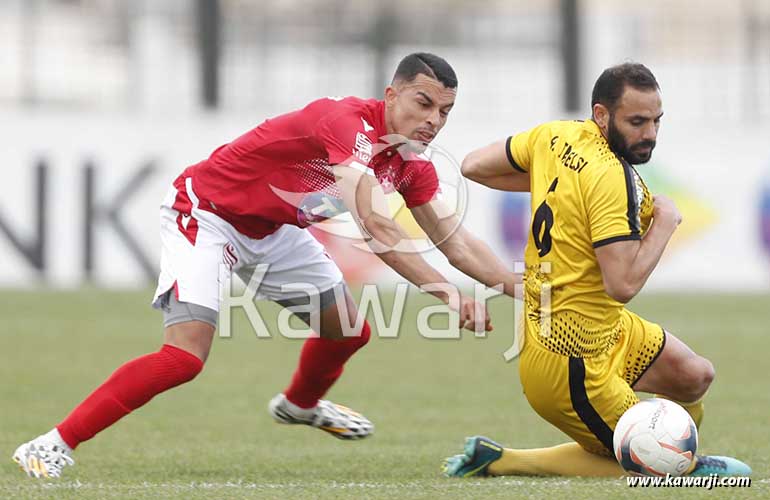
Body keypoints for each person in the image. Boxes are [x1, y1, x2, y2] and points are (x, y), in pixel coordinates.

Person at [13, 53, 517, 479]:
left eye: (445, 112)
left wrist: (522, 286)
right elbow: (375, 227)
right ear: (390, 95)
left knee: (347, 331)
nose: (433, 120)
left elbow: (456, 241)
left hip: (273, 231)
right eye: (423, 103)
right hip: (207, 215)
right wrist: (448, 294)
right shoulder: (345, 123)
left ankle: (299, 406)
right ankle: (51, 443)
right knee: (185, 357)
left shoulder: (411, 164)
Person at [443, 63, 751, 478]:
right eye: (637, 122)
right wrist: (665, 223)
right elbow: (621, 284)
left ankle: (666, 448)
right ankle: (503, 460)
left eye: (657, 121)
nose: (651, 134)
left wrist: (564, 188)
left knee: (695, 376)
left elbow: (474, 164)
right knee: (653, 467)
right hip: (571, 361)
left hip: (605, 330)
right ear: (601, 115)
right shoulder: (611, 177)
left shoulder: (556, 135)